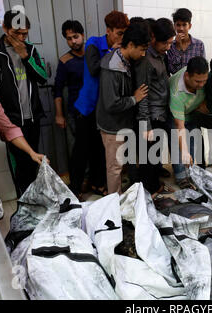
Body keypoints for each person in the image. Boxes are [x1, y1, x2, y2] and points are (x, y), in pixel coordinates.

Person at [0, 10, 48, 197]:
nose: (20, 37)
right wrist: (1, 122)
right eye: (16, 33)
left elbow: (43, 77)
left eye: (24, 34)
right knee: (18, 164)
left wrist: (26, 57)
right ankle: (23, 202)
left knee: (33, 159)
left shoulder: (31, 49)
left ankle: (35, 199)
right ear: (4, 28)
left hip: (32, 116)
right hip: (10, 120)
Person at [71, 11, 129, 198]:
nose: (121, 37)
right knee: (81, 151)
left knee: (99, 150)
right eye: (119, 33)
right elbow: (94, 69)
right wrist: (114, 50)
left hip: (104, 110)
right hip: (87, 107)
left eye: (124, 34)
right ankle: (74, 189)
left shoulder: (120, 48)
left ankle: (97, 184)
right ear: (109, 31)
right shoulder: (94, 43)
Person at [97, 22, 150, 195]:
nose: (143, 54)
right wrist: (135, 98)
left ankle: (120, 199)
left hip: (123, 122)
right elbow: (111, 104)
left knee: (122, 165)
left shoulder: (125, 59)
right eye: (141, 49)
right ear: (131, 45)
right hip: (112, 126)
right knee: (114, 168)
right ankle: (114, 206)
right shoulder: (112, 68)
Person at [134, 18, 176, 198]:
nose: (168, 46)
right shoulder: (146, 61)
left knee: (154, 157)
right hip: (150, 116)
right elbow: (142, 96)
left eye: (170, 43)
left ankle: (154, 187)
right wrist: (146, 126)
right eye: (165, 42)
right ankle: (148, 192)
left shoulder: (160, 56)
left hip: (161, 113)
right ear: (153, 38)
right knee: (148, 159)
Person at [169, 56, 209, 190]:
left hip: (191, 112)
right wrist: (185, 152)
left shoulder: (202, 78)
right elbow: (179, 127)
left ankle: (190, 173)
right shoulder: (176, 92)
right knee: (178, 144)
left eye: (204, 81)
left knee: (192, 139)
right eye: (198, 82)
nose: (202, 85)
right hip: (174, 115)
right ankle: (181, 177)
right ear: (187, 76)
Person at [54, 20, 86, 156]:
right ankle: (82, 177)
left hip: (96, 110)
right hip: (75, 112)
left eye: (76, 36)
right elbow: (57, 90)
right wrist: (59, 115)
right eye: (69, 38)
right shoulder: (64, 60)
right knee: (78, 149)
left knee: (96, 149)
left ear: (83, 35)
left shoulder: (93, 55)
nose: (73, 41)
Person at [167, 8, 206, 75]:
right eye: (178, 25)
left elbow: (203, 68)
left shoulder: (199, 45)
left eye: (184, 25)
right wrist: (178, 48)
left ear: (189, 26)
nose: (181, 29)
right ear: (174, 26)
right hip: (178, 84)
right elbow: (174, 71)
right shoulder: (170, 46)